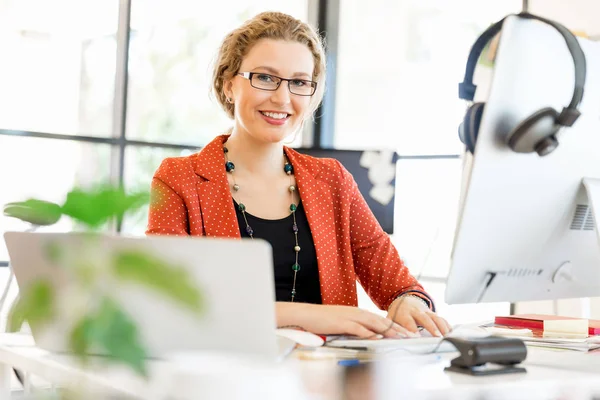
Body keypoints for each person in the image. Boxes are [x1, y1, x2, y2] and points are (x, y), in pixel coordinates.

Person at [146, 11, 451, 339]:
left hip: (326, 378)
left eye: (299, 82)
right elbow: (165, 303)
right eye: (265, 77)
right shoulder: (179, 179)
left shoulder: (332, 180)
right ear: (228, 83)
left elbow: (399, 285)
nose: (282, 97)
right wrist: (311, 316)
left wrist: (409, 302)